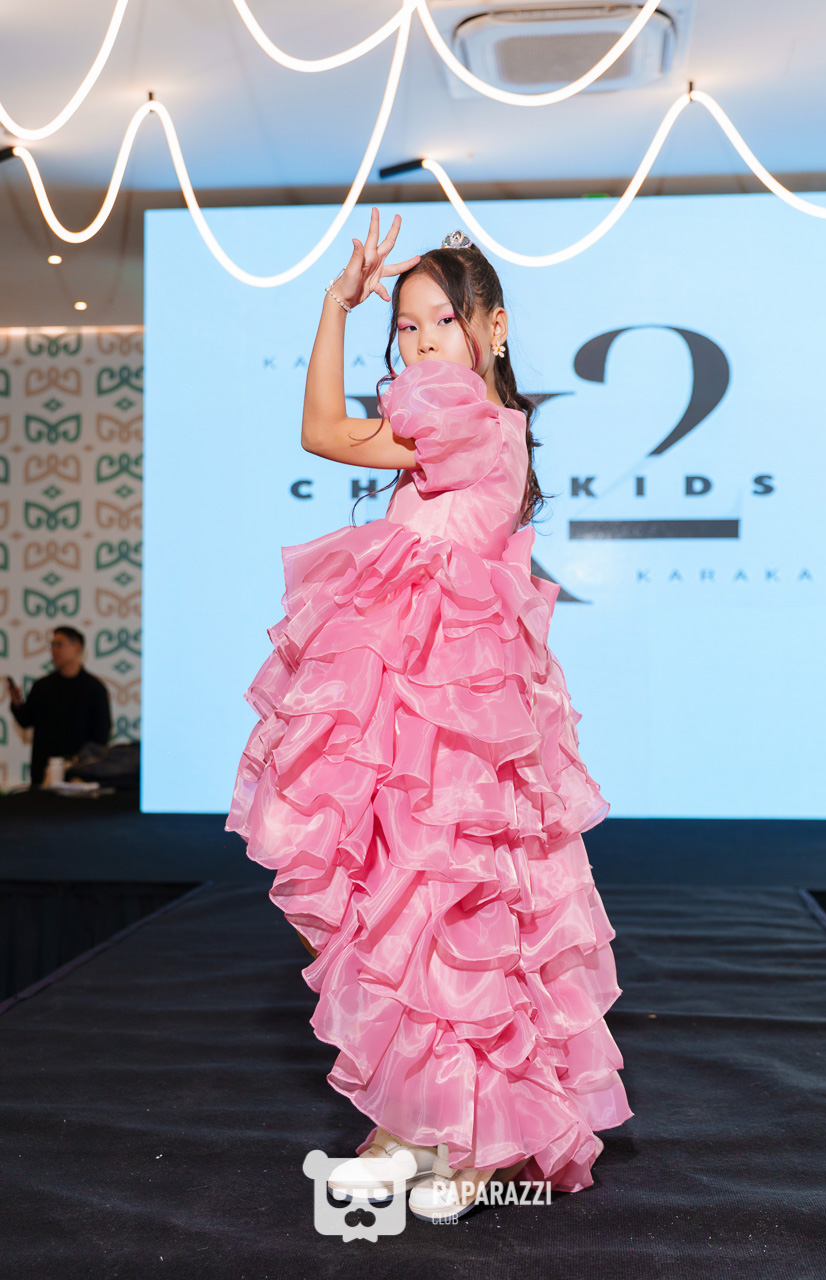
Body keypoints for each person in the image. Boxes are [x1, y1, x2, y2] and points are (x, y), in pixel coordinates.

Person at [225, 210, 632, 1223]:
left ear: (494, 327)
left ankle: (462, 1132)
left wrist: (333, 305)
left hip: (449, 714)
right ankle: (427, 1121)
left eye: (442, 320)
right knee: (408, 905)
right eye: (405, 327)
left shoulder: (466, 417)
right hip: (422, 704)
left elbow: (322, 433)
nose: (420, 344)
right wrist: (340, 310)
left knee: (447, 908)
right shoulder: (481, 427)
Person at [7, 625, 112, 788]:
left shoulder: (95, 689)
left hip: (80, 776)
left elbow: (101, 736)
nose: (54, 650)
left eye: (59, 644)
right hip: (43, 773)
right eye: (52, 645)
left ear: (77, 647)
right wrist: (17, 704)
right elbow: (26, 721)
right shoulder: (42, 686)